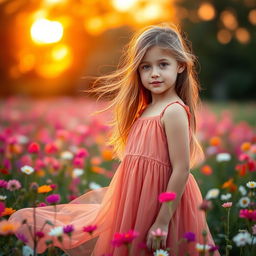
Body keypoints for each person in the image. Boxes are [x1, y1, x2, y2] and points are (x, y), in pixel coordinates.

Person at [9, 23, 220, 256]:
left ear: (180, 66)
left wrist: (161, 222)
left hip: (163, 206)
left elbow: (181, 169)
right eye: (145, 67)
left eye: (163, 64)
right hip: (135, 202)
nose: (155, 73)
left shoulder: (173, 111)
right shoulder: (145, 110)